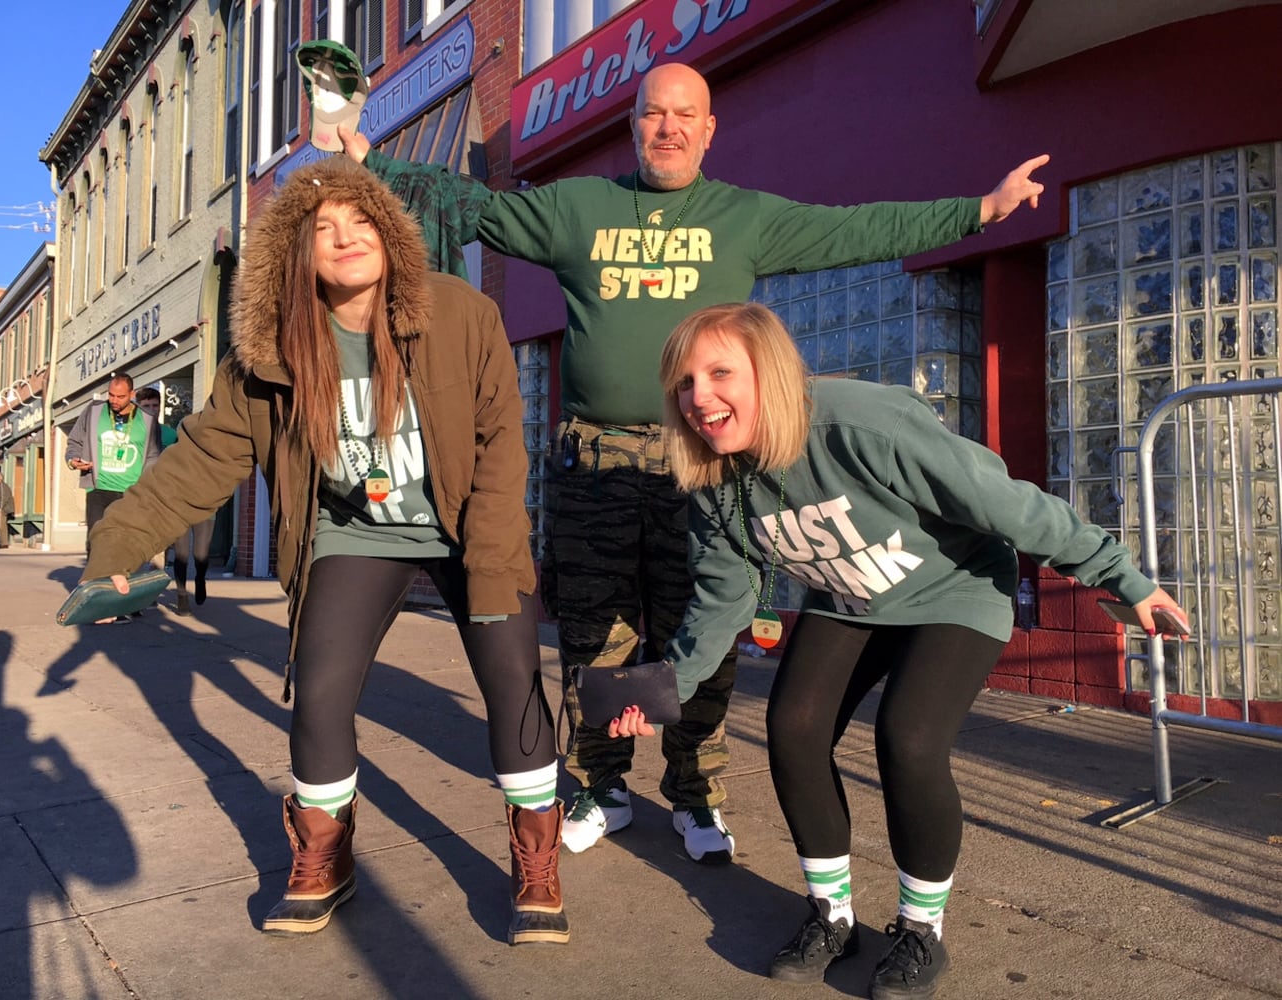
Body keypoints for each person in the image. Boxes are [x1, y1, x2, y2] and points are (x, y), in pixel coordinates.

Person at [339, 61, 1050, 863]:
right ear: (632, 124)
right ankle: (599, 785)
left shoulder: (741, 218)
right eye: (651, 114)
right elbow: (474, 209)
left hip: (703, 468)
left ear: (708, 130)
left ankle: (696, 794)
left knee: (700, 634)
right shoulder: (578, 207)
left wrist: (980, 211)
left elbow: (856, 229)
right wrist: (372, 162)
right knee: (593, 638)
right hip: (596, 466)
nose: (667, 127)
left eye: (684, 115)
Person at [608, 301, 1188, 999]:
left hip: (953, 590)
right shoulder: (712, 481)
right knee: (792, 730)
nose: (698, 396)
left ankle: (919, 931)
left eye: (719, 372)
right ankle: (831, 916)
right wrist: (666, 685)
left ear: (770, 371)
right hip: (849, 601)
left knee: (908, 738)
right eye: (683, 382)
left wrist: (1121, 577)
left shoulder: (861, 422)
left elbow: (1003, 503)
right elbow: (719, 597)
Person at [70, 156, 568, 944]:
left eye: (359, 220)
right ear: (292, 256)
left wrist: (494, 563)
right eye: (321, 230)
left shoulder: (460, 314)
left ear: (389, 231)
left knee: (513, 678)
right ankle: (324, 856)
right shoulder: (268, 359)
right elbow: (199, 462)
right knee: (321, 684)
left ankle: (536, 863)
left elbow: (501, 445)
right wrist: (116, 549)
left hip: (465, 521)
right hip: (353, 532)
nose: (343, 239)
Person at [65, 371, 163, 551]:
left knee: (125, 546)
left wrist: (148, 488)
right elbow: (75, 441)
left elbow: (153, 456)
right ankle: (96, 579)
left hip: (131, 492)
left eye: (120, 396)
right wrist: (72, 460)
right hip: (99, 489)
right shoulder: (93, 411)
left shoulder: (147, 420)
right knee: (96, 542)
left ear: (132, 395)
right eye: (111, 395)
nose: (114, 400)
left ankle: (121, 578)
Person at [136, 386, 213, 614]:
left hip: (173, 499)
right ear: (138, 407)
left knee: (176, 552)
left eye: (154, 405)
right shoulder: (133, 434)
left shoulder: (170, 434)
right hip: (144, 497)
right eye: (146, 405)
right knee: (151, 548)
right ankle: (174, 595)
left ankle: (155, 590)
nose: (151, 409)